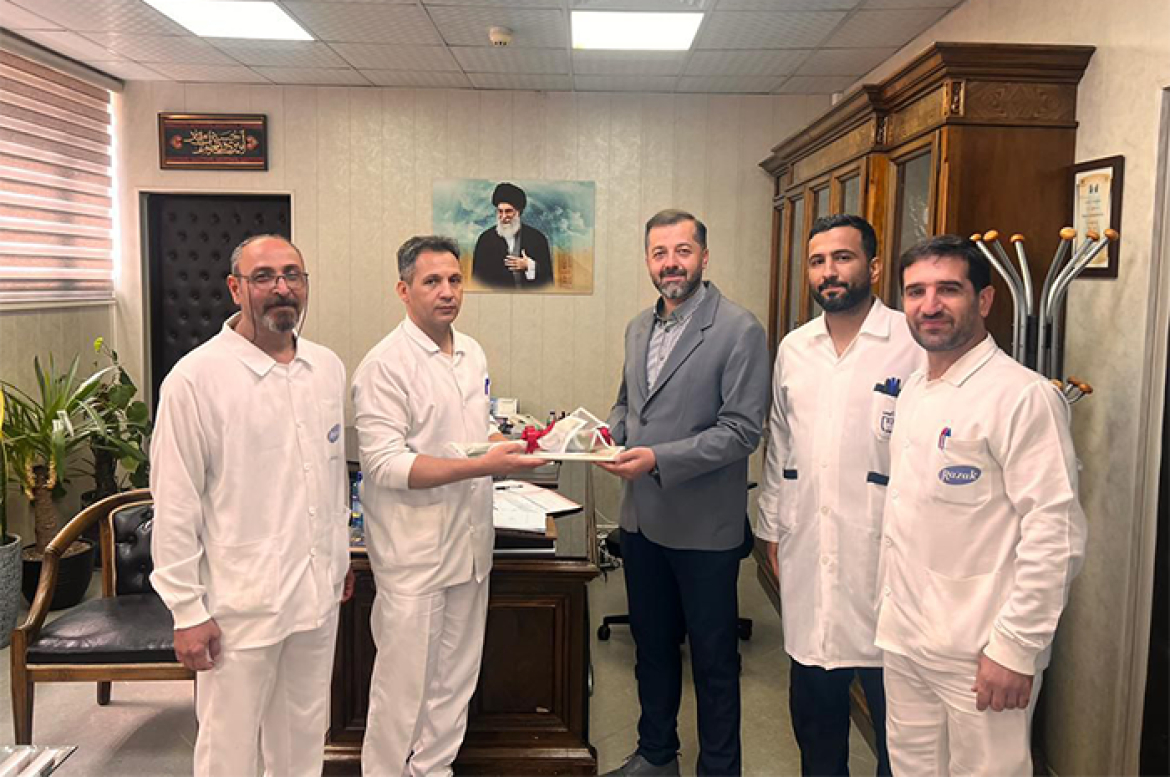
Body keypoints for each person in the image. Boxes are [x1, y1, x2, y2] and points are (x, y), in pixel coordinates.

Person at [876, 235, 1087, 776]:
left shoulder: (1023, 396)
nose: (930, 305)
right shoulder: (914, 389)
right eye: (916, 291)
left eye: (949, 289)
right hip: (905, 640)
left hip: (981, 653)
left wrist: (1015, 648)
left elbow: (1055, 533)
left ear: (985, 300)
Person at [151, 234, 354, 777]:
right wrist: (186, 611)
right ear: (235, 288)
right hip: (239, 605)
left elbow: (329, 476)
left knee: (304, 738)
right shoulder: (195, 380)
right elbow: (175, 504)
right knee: (230, 751)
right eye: (263, 276)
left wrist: (339, 557)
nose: (281, 288)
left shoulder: (326, 367)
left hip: (315, 596)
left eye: (293, 275)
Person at [351, 235, 544, 777]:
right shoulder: (383, 366)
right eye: (432, 281)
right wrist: (484, 466)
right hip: (413, 556)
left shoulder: (471, 353)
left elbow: (472, 436)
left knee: (455, 685)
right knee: (402, 693)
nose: (447, 292)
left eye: (455, 280)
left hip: (470, 547)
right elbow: (385, 465)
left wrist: (514, 448)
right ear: (404, 290)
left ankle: (433, 770)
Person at [598, 209, 771, 776]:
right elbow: (628, 403)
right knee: (652, 649)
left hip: (703, 529)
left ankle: (719, 769)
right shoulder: (638, 327)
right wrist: (608, 437)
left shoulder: (739, 330)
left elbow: (741, 431)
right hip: (641, 522)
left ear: (704, 257)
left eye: (682, 251)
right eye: (659, 253)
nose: (670, 263)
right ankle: (656, 754)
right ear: (648, 261)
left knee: (714, 661)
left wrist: (657, 459)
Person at [757, 214, 921, 777]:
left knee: (897, 727)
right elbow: (780, 444)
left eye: (842, 258)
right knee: (815, 715)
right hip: (809, 546)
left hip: (889, 558)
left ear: (872, 267)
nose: (829, 272)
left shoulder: (910, 341)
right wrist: (771, 527)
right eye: (818, 261)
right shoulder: (795, 348)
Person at [472, 181, 554, 289]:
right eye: (500, 211)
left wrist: (529, 265)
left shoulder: (537, 238)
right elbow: (477, 280)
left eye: (508, 211)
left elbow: (548, 280)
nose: (503, 216)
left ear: (519, 212)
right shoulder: (485, 239)